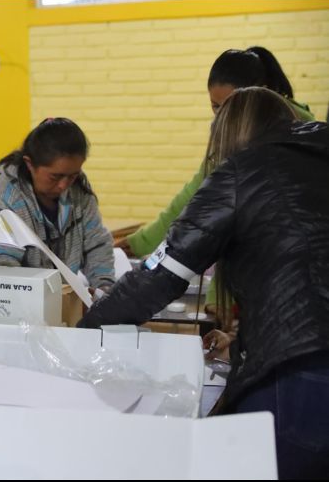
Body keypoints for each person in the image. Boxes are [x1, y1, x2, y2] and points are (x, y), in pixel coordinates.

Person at [79, 87, 329, 479]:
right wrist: (247, 343)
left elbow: (162, 274)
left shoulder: (243, 171)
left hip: (305, 372)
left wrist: (84, 331)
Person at [117, 46, 314, 265]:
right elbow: (197, 191)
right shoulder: (233, 131)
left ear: (257, 95)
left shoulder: (298, 130)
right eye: (215, 106)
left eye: (230, 106)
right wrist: (140, 242)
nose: (221, 116)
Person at [0, 117, 114, 291]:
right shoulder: (1, 198)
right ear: (30, 164)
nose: (64, 185)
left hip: (55, 300)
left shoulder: (79, 192)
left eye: (73, 175)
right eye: (55, 177)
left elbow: (96, 245)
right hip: (4, 301)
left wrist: (104, 288)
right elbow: (1, 273)